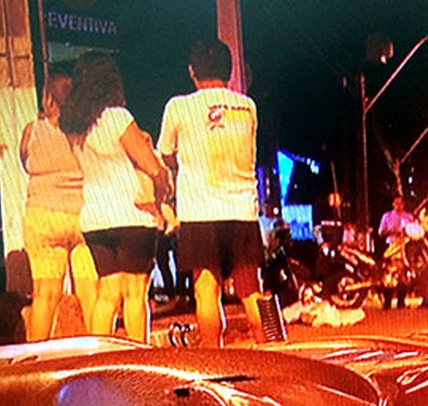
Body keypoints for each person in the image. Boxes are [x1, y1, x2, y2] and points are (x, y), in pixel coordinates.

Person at [157, 39, 269, 347]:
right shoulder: (247, 106)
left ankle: (214, 359)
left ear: (192, 71)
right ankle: (276, 351)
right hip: (242, 212)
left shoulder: (178, 106)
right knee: (253, 289)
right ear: (230, 71)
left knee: (206, 289)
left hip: (200, 214)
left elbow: (165, 154)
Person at [60, 51, 170, 343]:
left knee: (106, 294)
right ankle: (139, 361)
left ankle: (99, 360)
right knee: (135, 294)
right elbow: (152, 166)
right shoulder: (117, 117)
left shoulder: (74, 126)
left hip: (95, 218)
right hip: (131, 215)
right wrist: (162, 198)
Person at [19, 70, 98, 341]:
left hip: (42, 216)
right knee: (91, 294)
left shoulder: (32, 130)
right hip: (81, 216)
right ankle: (101, 359)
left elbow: (24, 161)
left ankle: (36, 360)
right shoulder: (86, 131)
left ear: (47, 98)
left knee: (45, 295)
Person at [376, 194, 415, 309]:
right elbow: (381, 232)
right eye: (396, 203)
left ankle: (401, 302)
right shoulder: (387, 217)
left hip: (404, 248)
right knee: (389, 276)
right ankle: (387, 302)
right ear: (393, 204)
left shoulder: (408, 217)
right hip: (391, 247)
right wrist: (392, 231)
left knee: (403, 276)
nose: (398, 206)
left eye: (400, 203)